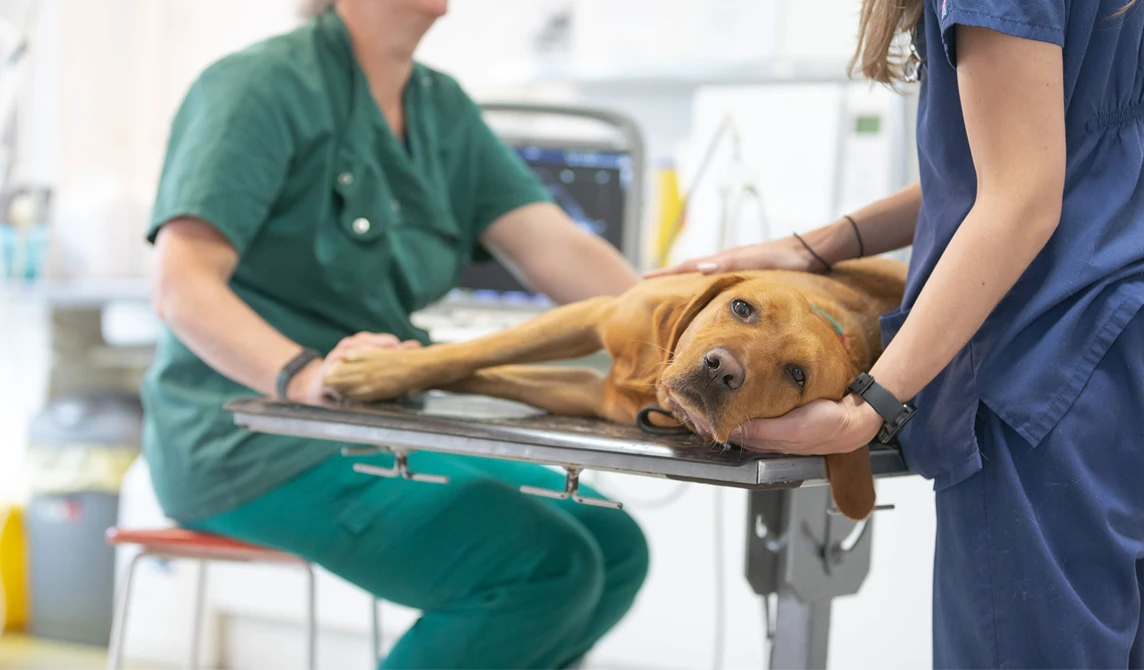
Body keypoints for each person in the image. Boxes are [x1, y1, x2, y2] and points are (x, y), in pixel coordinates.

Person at [142, 0, 649, 667]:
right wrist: (304, 374)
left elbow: (556, 248)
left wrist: (678, 324)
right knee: (541, 566)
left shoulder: (441, 108)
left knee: (612, 543)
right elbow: (182, 285)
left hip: (380, 421)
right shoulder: (258, 87)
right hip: (251, 439)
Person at [651, 0, 1144, 667]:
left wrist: (868, 407)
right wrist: (820, 245)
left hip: (1048, 373)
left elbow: (1022, 199)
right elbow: (1046, 149)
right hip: (1118, 356)